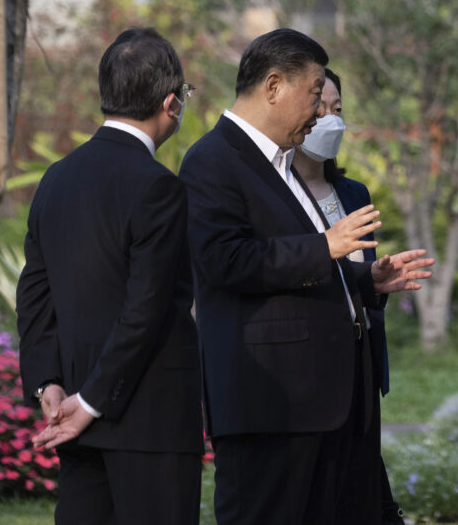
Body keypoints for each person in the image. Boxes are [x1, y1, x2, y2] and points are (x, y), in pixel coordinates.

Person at [177, 28, 433, 525]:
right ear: (274, 86)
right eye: (316, 94)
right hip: (272, 406)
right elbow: (223, 261)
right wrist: (325, 246)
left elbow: (298, 266)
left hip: (330, 404)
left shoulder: (282, 165)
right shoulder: (212, 160)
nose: (321, 111)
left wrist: (364, 282)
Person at [16, 28, 203, 524]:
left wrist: (48, 385)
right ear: (171, 103)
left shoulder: (55, 177)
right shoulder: (158, 186)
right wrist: (92, 401)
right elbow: (147, 308)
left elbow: (34, 294)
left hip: (73, 418)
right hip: (148, 423)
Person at [291, 68, 405, 525]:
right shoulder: (278, 192)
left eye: (337, 110)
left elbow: (362, 286)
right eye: (319, 108)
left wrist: (376, 279)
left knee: (361, 492)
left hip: (359, 360)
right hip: (307, 367)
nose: (329, 119)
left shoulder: (353, 192)